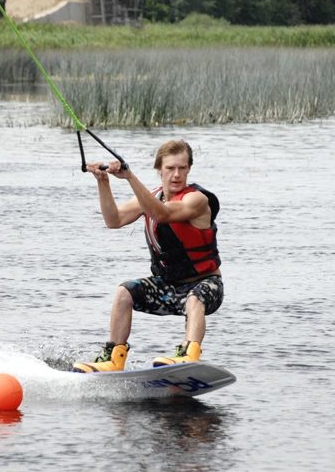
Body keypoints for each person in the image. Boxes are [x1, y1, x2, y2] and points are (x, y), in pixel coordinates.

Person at [72, 140, 223, 373]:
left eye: (182, 168)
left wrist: (130, 177)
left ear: (189, 169)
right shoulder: (151, 197)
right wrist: (104, 183)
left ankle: (188, 353)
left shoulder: (196, 200)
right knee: (125, 292)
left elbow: (161, 214)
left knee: (195, 297)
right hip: (168, 288)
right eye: (170, 168)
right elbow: (114, 220)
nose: (176, 174)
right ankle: (113, 357)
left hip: (206, 285)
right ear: (159, 169)